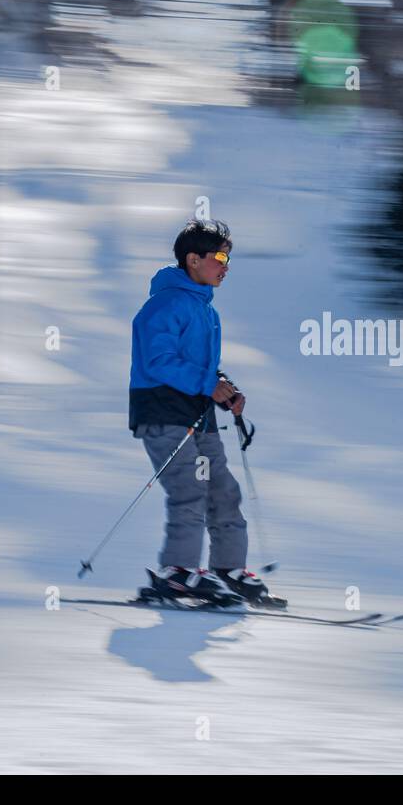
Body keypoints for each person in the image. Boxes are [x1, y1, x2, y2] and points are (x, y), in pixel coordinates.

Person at [128, 218, 281, 607]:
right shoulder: (163, 306)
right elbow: (160, 360)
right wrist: (206, 383)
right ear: (192, 259)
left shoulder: (205, 311)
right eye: (218, 257)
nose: (225, 266)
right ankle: (177, 574)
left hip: (197, 415)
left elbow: (199, 367)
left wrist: (223, 389)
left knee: (222, 491)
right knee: (188, 491)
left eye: (228, 258)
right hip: (164, 413)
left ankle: (227, 571)